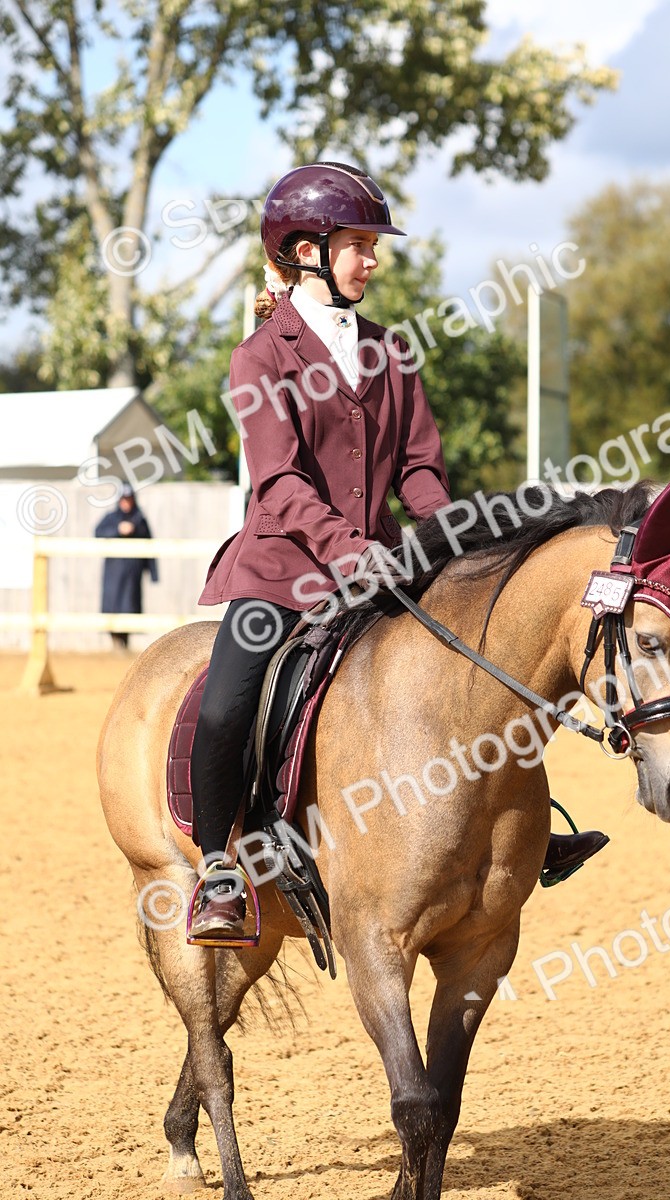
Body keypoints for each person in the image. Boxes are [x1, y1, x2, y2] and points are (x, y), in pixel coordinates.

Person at [189, 161, 605, 942]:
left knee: (479, 670)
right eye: (357, 245)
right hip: (283, 571)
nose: (372, 260)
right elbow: (277, 482)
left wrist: (451, 545)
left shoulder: (392, 350)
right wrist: (351, 550)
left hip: (384, 565)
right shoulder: (260, 356)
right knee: (224, 706)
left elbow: (419, 468)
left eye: (372, 245)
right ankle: (218, 871)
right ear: (305, 249)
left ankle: (522, 827)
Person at [94, 484, 158, 652]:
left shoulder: (139, 519)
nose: (126, 503)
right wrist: (118, 530)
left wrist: (153, 573)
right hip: (113, 572)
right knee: (113, 605)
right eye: (124, 499)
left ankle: (125, 642)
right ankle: (115, 642)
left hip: (132, 574)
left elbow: (150, 546)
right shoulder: (111, 518)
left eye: (129, 499)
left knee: (129, 605)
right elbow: (98, 532)